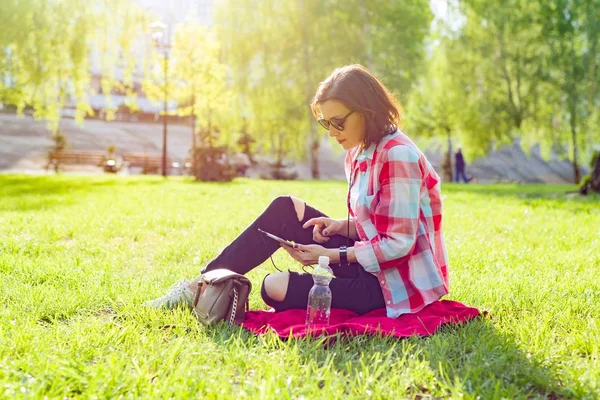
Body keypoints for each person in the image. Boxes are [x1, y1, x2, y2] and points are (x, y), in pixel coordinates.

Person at [146, 65, 449, 318]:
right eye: (325, 123)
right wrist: (341, 226)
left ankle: (203, 287)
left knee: (272, 287)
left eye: (338, 122)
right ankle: (201, 284)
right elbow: (379, 224)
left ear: (367, 111)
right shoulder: (359, 152)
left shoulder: (397, 155)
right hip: (369, 265)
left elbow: (398, 244)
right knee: (285, 208)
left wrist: (330, 255)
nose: (331, 132)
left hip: (393, 286)